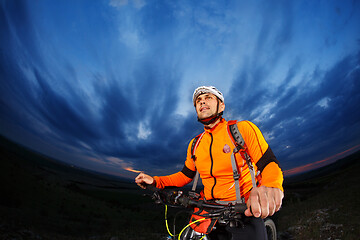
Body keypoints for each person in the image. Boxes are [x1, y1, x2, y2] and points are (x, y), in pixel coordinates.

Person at [135, 86, 284, 240]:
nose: (202, 102)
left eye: (208, 97)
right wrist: (155, 181)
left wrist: (271, 186)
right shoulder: (195, 144)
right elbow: (184, 176)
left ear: (222, 105)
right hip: (207, 210)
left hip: (243, 209)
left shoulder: (242, 130)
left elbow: (268, 163)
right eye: (198, 100)